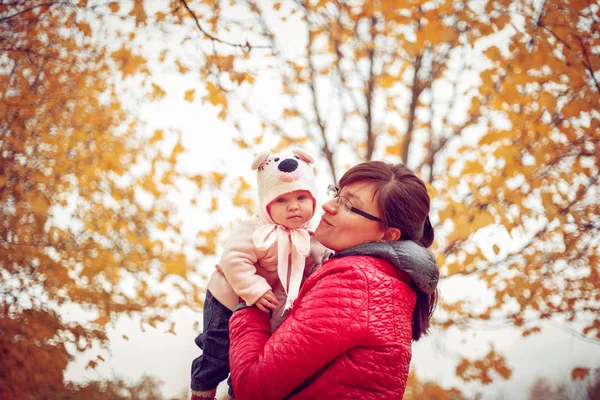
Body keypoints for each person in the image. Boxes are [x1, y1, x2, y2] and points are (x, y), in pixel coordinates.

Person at [228, 161, 439, 399]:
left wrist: (250, 300)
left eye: (349, 206)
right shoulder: (383, 281)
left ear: (387, 235)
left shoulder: (355, 283)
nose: (327, 206)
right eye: (337, 195)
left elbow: (253, 389)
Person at [190, 148, 330, 400]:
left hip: (273, 304)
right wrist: (253, 289)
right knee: (219, 347)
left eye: (301, 197)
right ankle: (202, 390)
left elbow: (323, 263)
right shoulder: (255, 228)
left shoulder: (318, 232)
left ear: (313, 198)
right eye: (281, 200)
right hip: (229, 295)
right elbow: (233, 259)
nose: (293, 207)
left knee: (256, 355)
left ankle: (238, 393)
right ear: (266, 203)